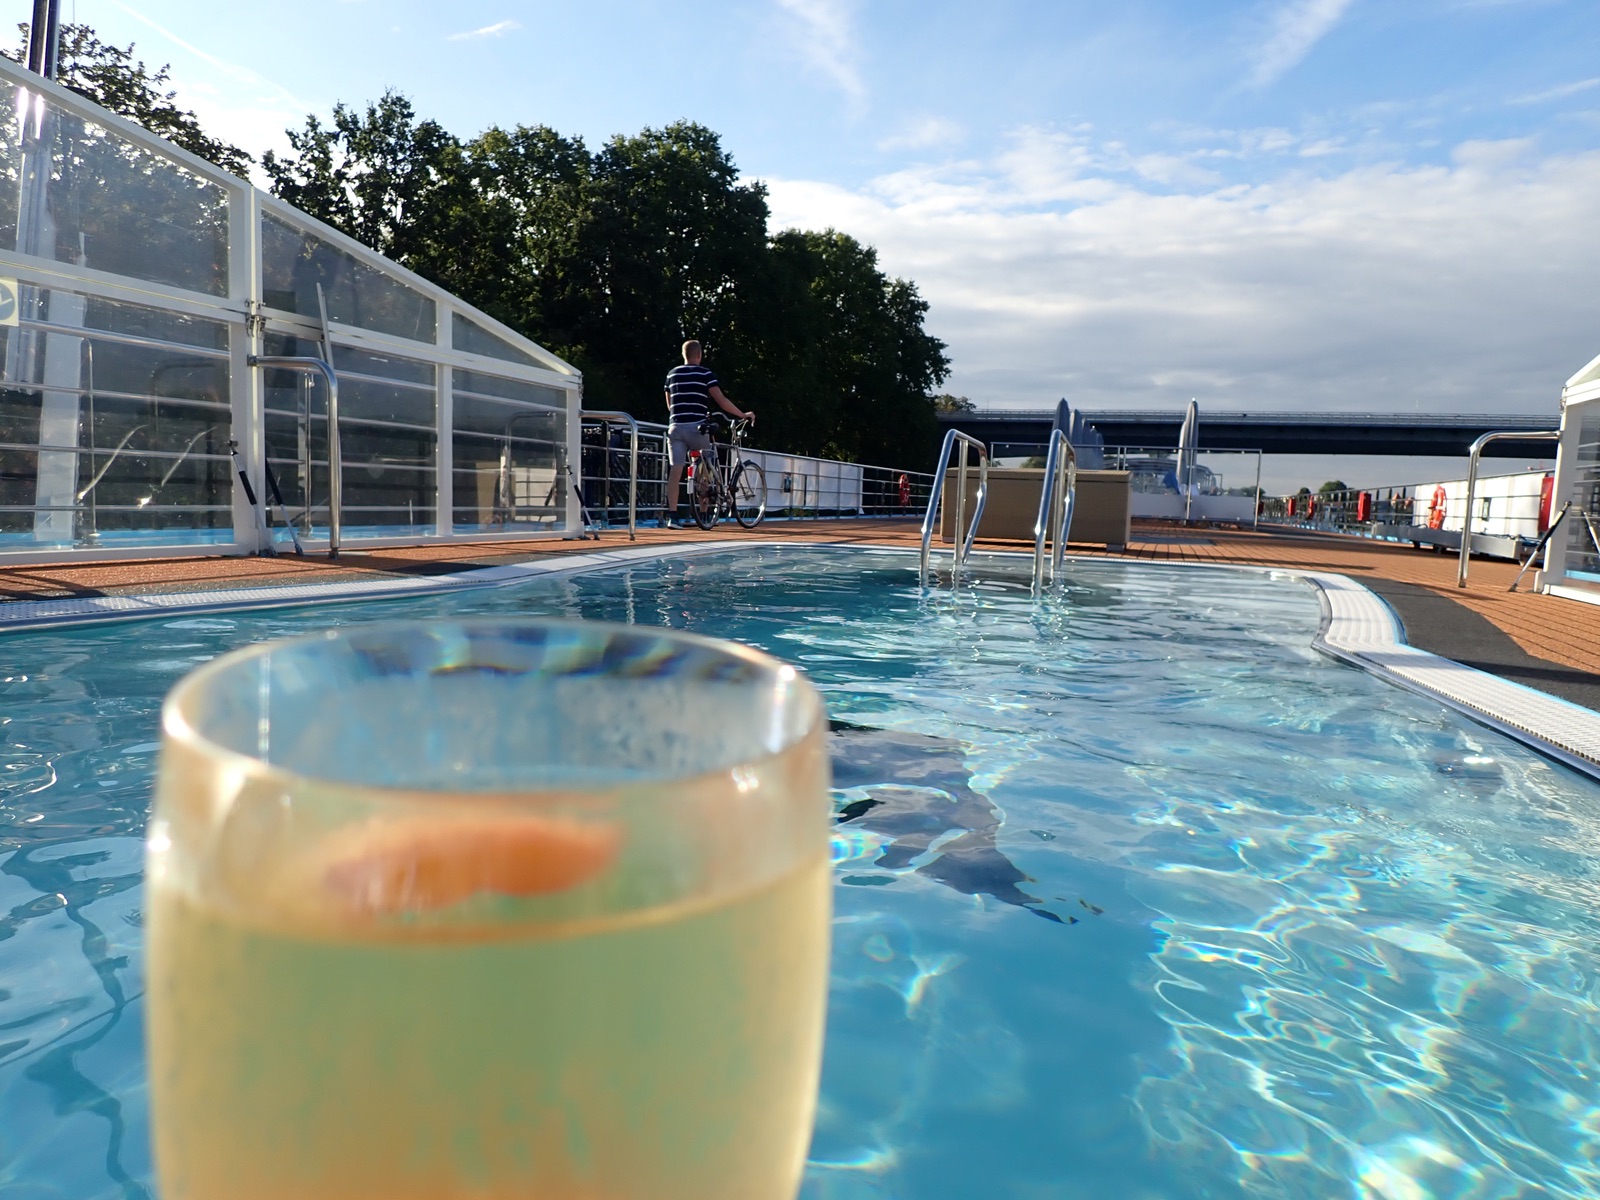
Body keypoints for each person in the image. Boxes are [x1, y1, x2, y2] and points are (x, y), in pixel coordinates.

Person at [661, 340, 754, 527]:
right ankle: (703, 515)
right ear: (699, 355)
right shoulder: (705, 374)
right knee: (704, 468)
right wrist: (742, 414)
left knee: (676, 469)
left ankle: (672, 516)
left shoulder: (672, 374)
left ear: (684, 355)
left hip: (675, 427)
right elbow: (721, 400)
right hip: (697, 428)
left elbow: (670, 405)